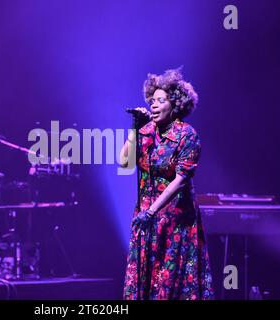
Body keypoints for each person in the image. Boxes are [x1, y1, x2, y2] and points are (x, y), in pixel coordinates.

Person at [120, 68, 214, 300]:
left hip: (175, 223)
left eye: (161, 101)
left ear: (175, 105)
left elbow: (181, 180)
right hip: (147, 222)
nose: (153, 105)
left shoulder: (187, 135)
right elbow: (124, 162)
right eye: (152, 100)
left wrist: (152, 211)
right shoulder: (146, 131)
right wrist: (135, 128)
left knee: (170, 283)